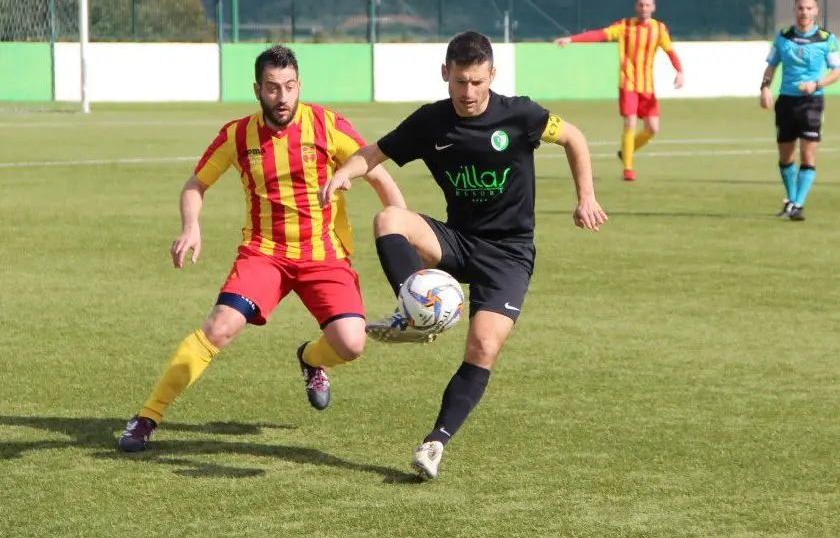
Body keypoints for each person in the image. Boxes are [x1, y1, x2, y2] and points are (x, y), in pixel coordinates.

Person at [319, 31, 608, 480]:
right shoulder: (430, 123)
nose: (468, 93)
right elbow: (374, 153)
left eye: (477, 82)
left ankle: (434, 443)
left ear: (492, 75)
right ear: (445, 75)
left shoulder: (521, 115)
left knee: (483, 346)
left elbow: (574, 137)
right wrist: (345, 174)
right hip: (457, 240)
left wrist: (585, 197)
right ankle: (414, 311)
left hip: (508, 254)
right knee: (389, 219)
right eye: (459, 82)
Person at [118, 45, 406, 452]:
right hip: (264, 253)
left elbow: (376, 173)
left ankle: (311, 358)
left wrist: (403, 227)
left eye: (289, 86)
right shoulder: (238, 134)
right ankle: (147, 417)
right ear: (258, 89)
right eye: (272, 88)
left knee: (351, 343)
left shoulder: (327, 124)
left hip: (323, 254)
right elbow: (195, 184)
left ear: (299, 84)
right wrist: (191, 226)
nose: (283, 97)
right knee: (219, 327)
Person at [554, 0, 684, 181]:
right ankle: (628, 168)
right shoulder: (624, 26)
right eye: (641, 4)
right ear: (636, 6)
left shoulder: (659, 29)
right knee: (630, 122)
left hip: (647, 87)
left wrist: (679, 71)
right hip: (628, 84)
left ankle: (626, 152)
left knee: (653, 129)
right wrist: (571, 39)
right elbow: (598, 35)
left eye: (648, 5)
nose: (644, 8)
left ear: (653, 7)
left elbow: (670, 52)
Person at [759, 0, 840, 222]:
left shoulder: (827, 39)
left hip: (812, 102)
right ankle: (792, 200)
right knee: (785, 157)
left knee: (808, 154)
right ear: (795, 10)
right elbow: (771, 66)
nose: (804, 12)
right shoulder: (783, 37)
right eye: (800, 8)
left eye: (809, 8)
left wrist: (816, 83)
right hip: (786, 101)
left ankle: (797, 204)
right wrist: (765, 88)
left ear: (816, 11)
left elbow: (837, 71)